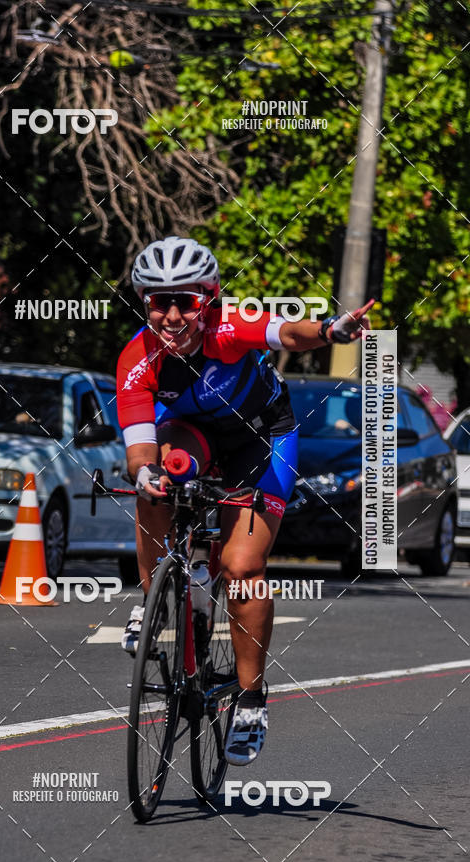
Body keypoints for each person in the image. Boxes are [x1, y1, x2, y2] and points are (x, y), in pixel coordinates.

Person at [115, 236, 372, 766]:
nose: (172, 315)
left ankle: (251, 699)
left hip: (261, 437)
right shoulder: (136, 359)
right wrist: (144, 475)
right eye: (160, 302)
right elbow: (139, 448)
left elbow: (288, 332)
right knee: (155, 478)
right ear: (145, 303)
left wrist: (330, 330)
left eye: (185, 301)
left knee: (241, 566)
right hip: (193, 435)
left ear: (207, 299)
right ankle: (152, 599)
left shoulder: (229, 326)